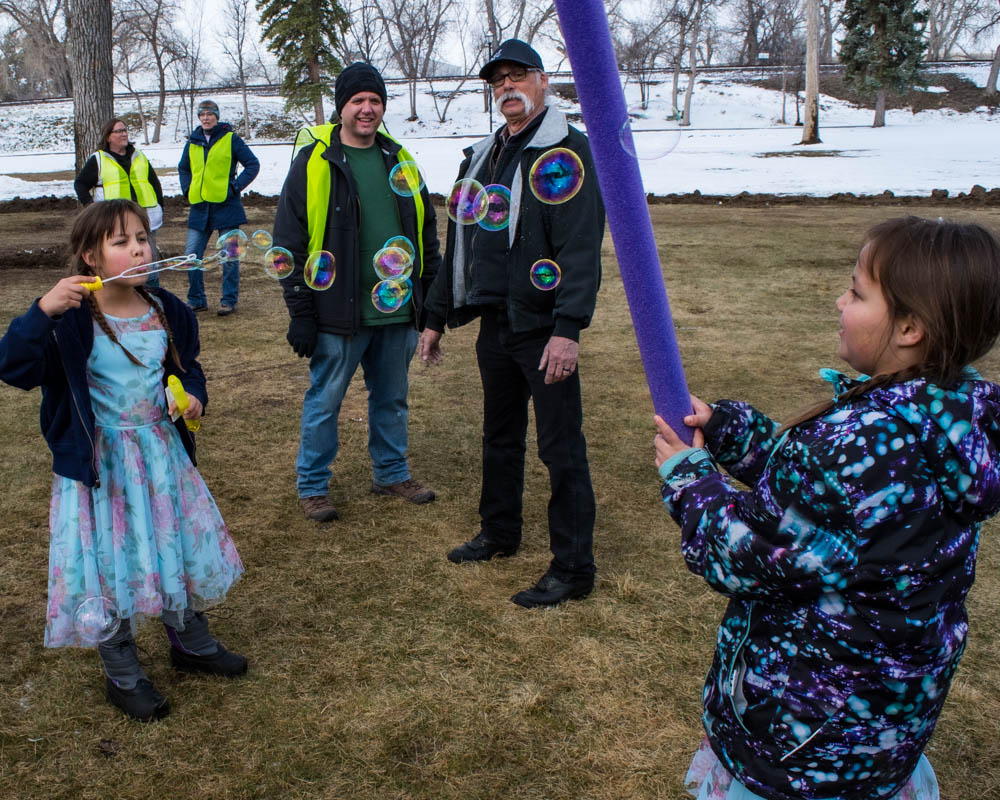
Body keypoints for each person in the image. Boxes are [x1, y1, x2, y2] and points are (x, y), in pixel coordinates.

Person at [653, 216, 1000, 800]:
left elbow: (743, 552)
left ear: (911, 326)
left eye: (858, 292)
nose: (839, 301)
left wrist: (691, 482)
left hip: (808, 734)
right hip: (883, 724)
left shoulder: (856, 448)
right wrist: (726, 429)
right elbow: (827, 506)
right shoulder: (949, 421)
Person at [0, 199, 247, 723]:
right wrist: (42, 310)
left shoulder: (166, 307)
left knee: (171, 539)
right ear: (90, 257)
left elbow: (188, 367)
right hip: (101, 464)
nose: (138, 249)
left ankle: (190, 641)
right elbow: (13, 367)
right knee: (109, 561)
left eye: (142, 238)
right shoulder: (69, 319)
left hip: (161, 454)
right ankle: (122, 668)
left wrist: (193, 396)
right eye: (121, 242)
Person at [418, 39, 604, 609]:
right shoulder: (481, 156)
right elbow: (462, 243)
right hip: (495, 322)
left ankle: (573, 568)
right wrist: (435, 318)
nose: (506, 87)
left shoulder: (568, 152)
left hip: (544, 327)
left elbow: (579, 248)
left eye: (517, 75)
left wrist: (568, 329)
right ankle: (500, 533)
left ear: (543, 81)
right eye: (497, 80)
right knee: (499, 436)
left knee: (559, 446)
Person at [273, 62, 442, 523]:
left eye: (375, 101)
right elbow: (287, 241)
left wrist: (430, 304)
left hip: (397, 308)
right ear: (341, 107)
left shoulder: (401, 159)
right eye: (357, 101)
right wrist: (301, 312)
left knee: (392, 398)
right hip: (337, 311)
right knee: (325, 401)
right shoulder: (314, 162)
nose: (367, 109)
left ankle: (391, 473)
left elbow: (425, 233)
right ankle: (313, 486)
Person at [177, 100, 259, 316]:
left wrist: (236, 186)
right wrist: (187, 189)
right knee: (191, 255)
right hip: (200, 208)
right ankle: (196, 300)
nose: (206, 118)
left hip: (227, 207)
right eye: (202, 114)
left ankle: (228, 301)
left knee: (229, 257)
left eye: (210, 114)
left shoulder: (231, 139)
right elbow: (183, 168)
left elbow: (253, 164)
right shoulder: (192, 142)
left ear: (217, 116)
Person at [74, 118, 165, 287]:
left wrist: (160, 205)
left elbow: (154, 182)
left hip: (146, 219)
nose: (123, 134)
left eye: (124, 130)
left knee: (149, 264)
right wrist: (92, 208)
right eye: (118, 131)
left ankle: (153, 298)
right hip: (115, 222)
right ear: (108, 136)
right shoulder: (99, 159)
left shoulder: (138, 155)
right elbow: (80, 184)